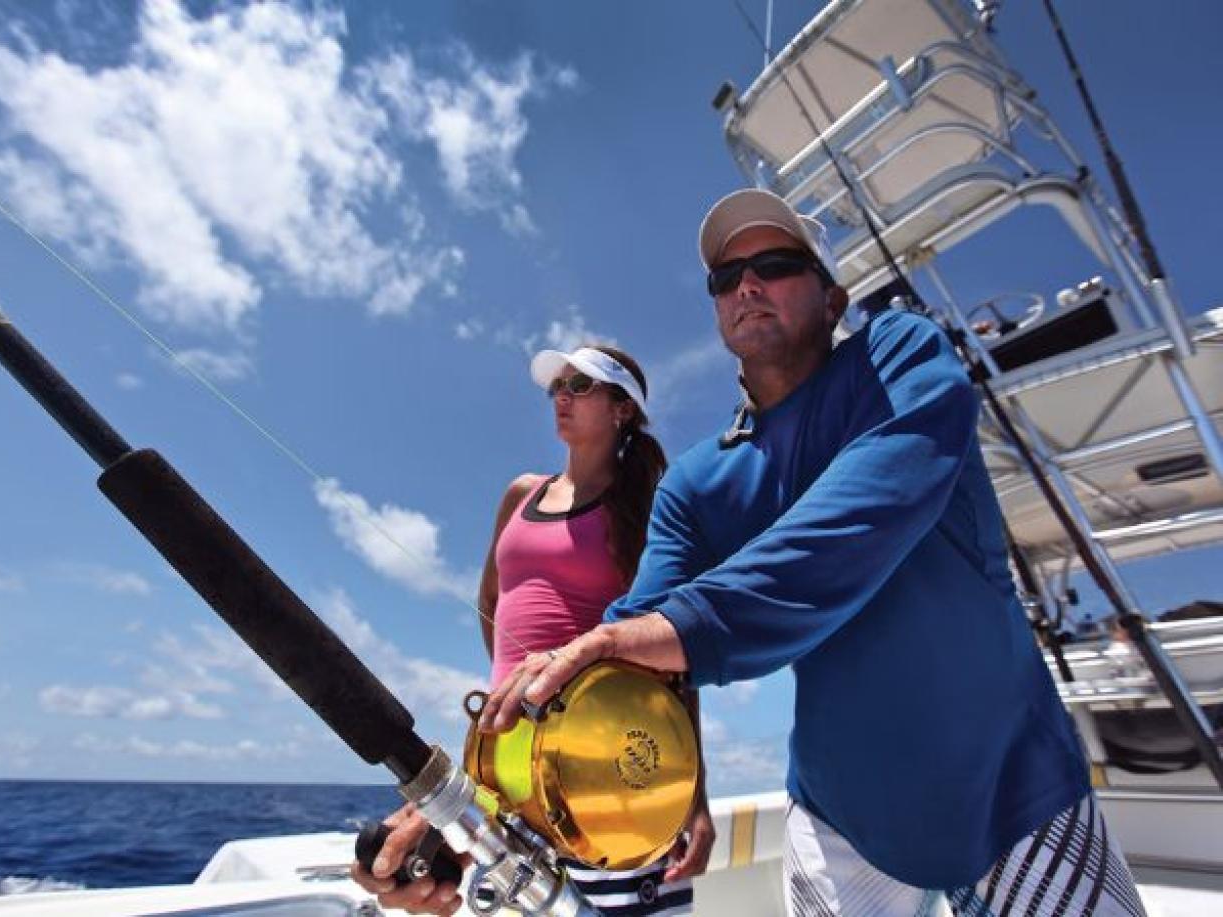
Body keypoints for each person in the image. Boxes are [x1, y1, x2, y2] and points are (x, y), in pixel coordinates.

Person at [481, 189, 1148, 916]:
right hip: (841, 812)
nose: (748, 285)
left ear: (833, 300)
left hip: (1018, 787)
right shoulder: (697, 485)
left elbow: (864, 513)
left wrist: (677, 628)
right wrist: (471, 791)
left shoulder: (900, 356)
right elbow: (632, 634)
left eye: (775, 263)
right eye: (725, 278)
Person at [351, 344, 714, 916]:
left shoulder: (649, 507)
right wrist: (510, 698)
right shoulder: (522, 493)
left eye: (580, 385)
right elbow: (490, 599)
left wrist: (694, 794)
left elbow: (675, 649)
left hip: (609, 756)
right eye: (557, 388)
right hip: (508, 753)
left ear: (622, 408)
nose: (561, 397)